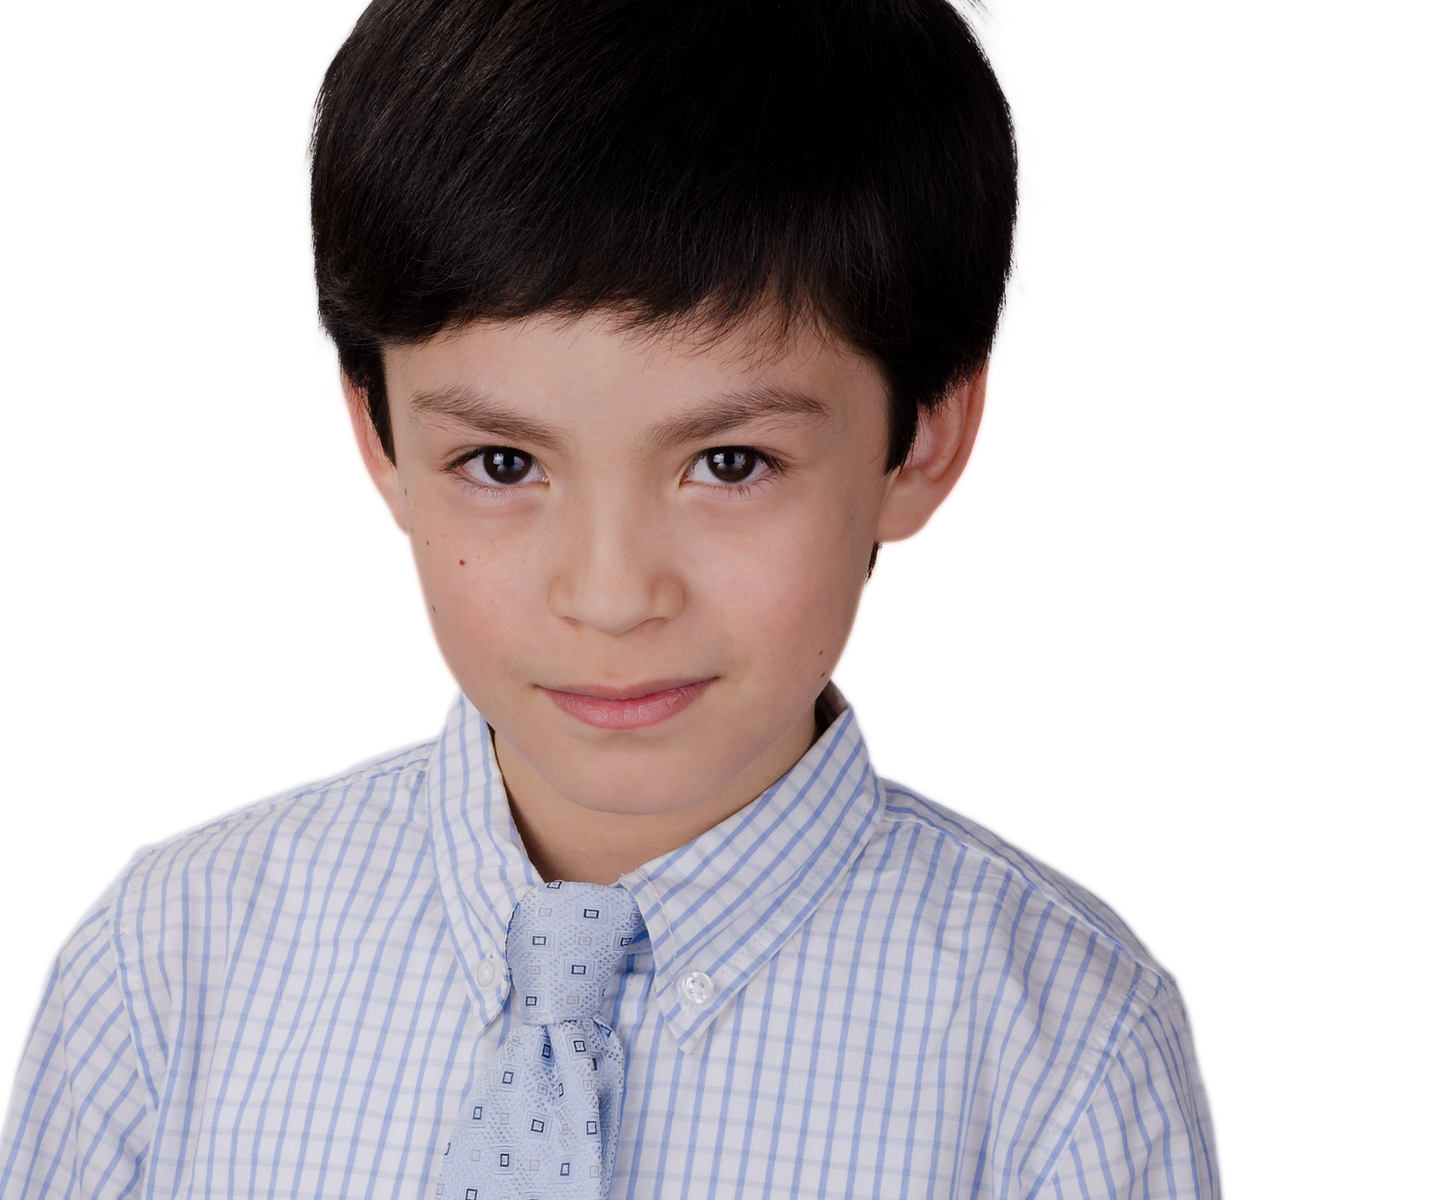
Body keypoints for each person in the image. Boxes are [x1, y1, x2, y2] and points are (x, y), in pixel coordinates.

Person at [0, 0, 1217, 1196]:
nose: (612, 595)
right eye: (502, 464)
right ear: (380, 436)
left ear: (923, 436)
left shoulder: (1062, 1062)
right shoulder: (167, 976)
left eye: (728, 463)